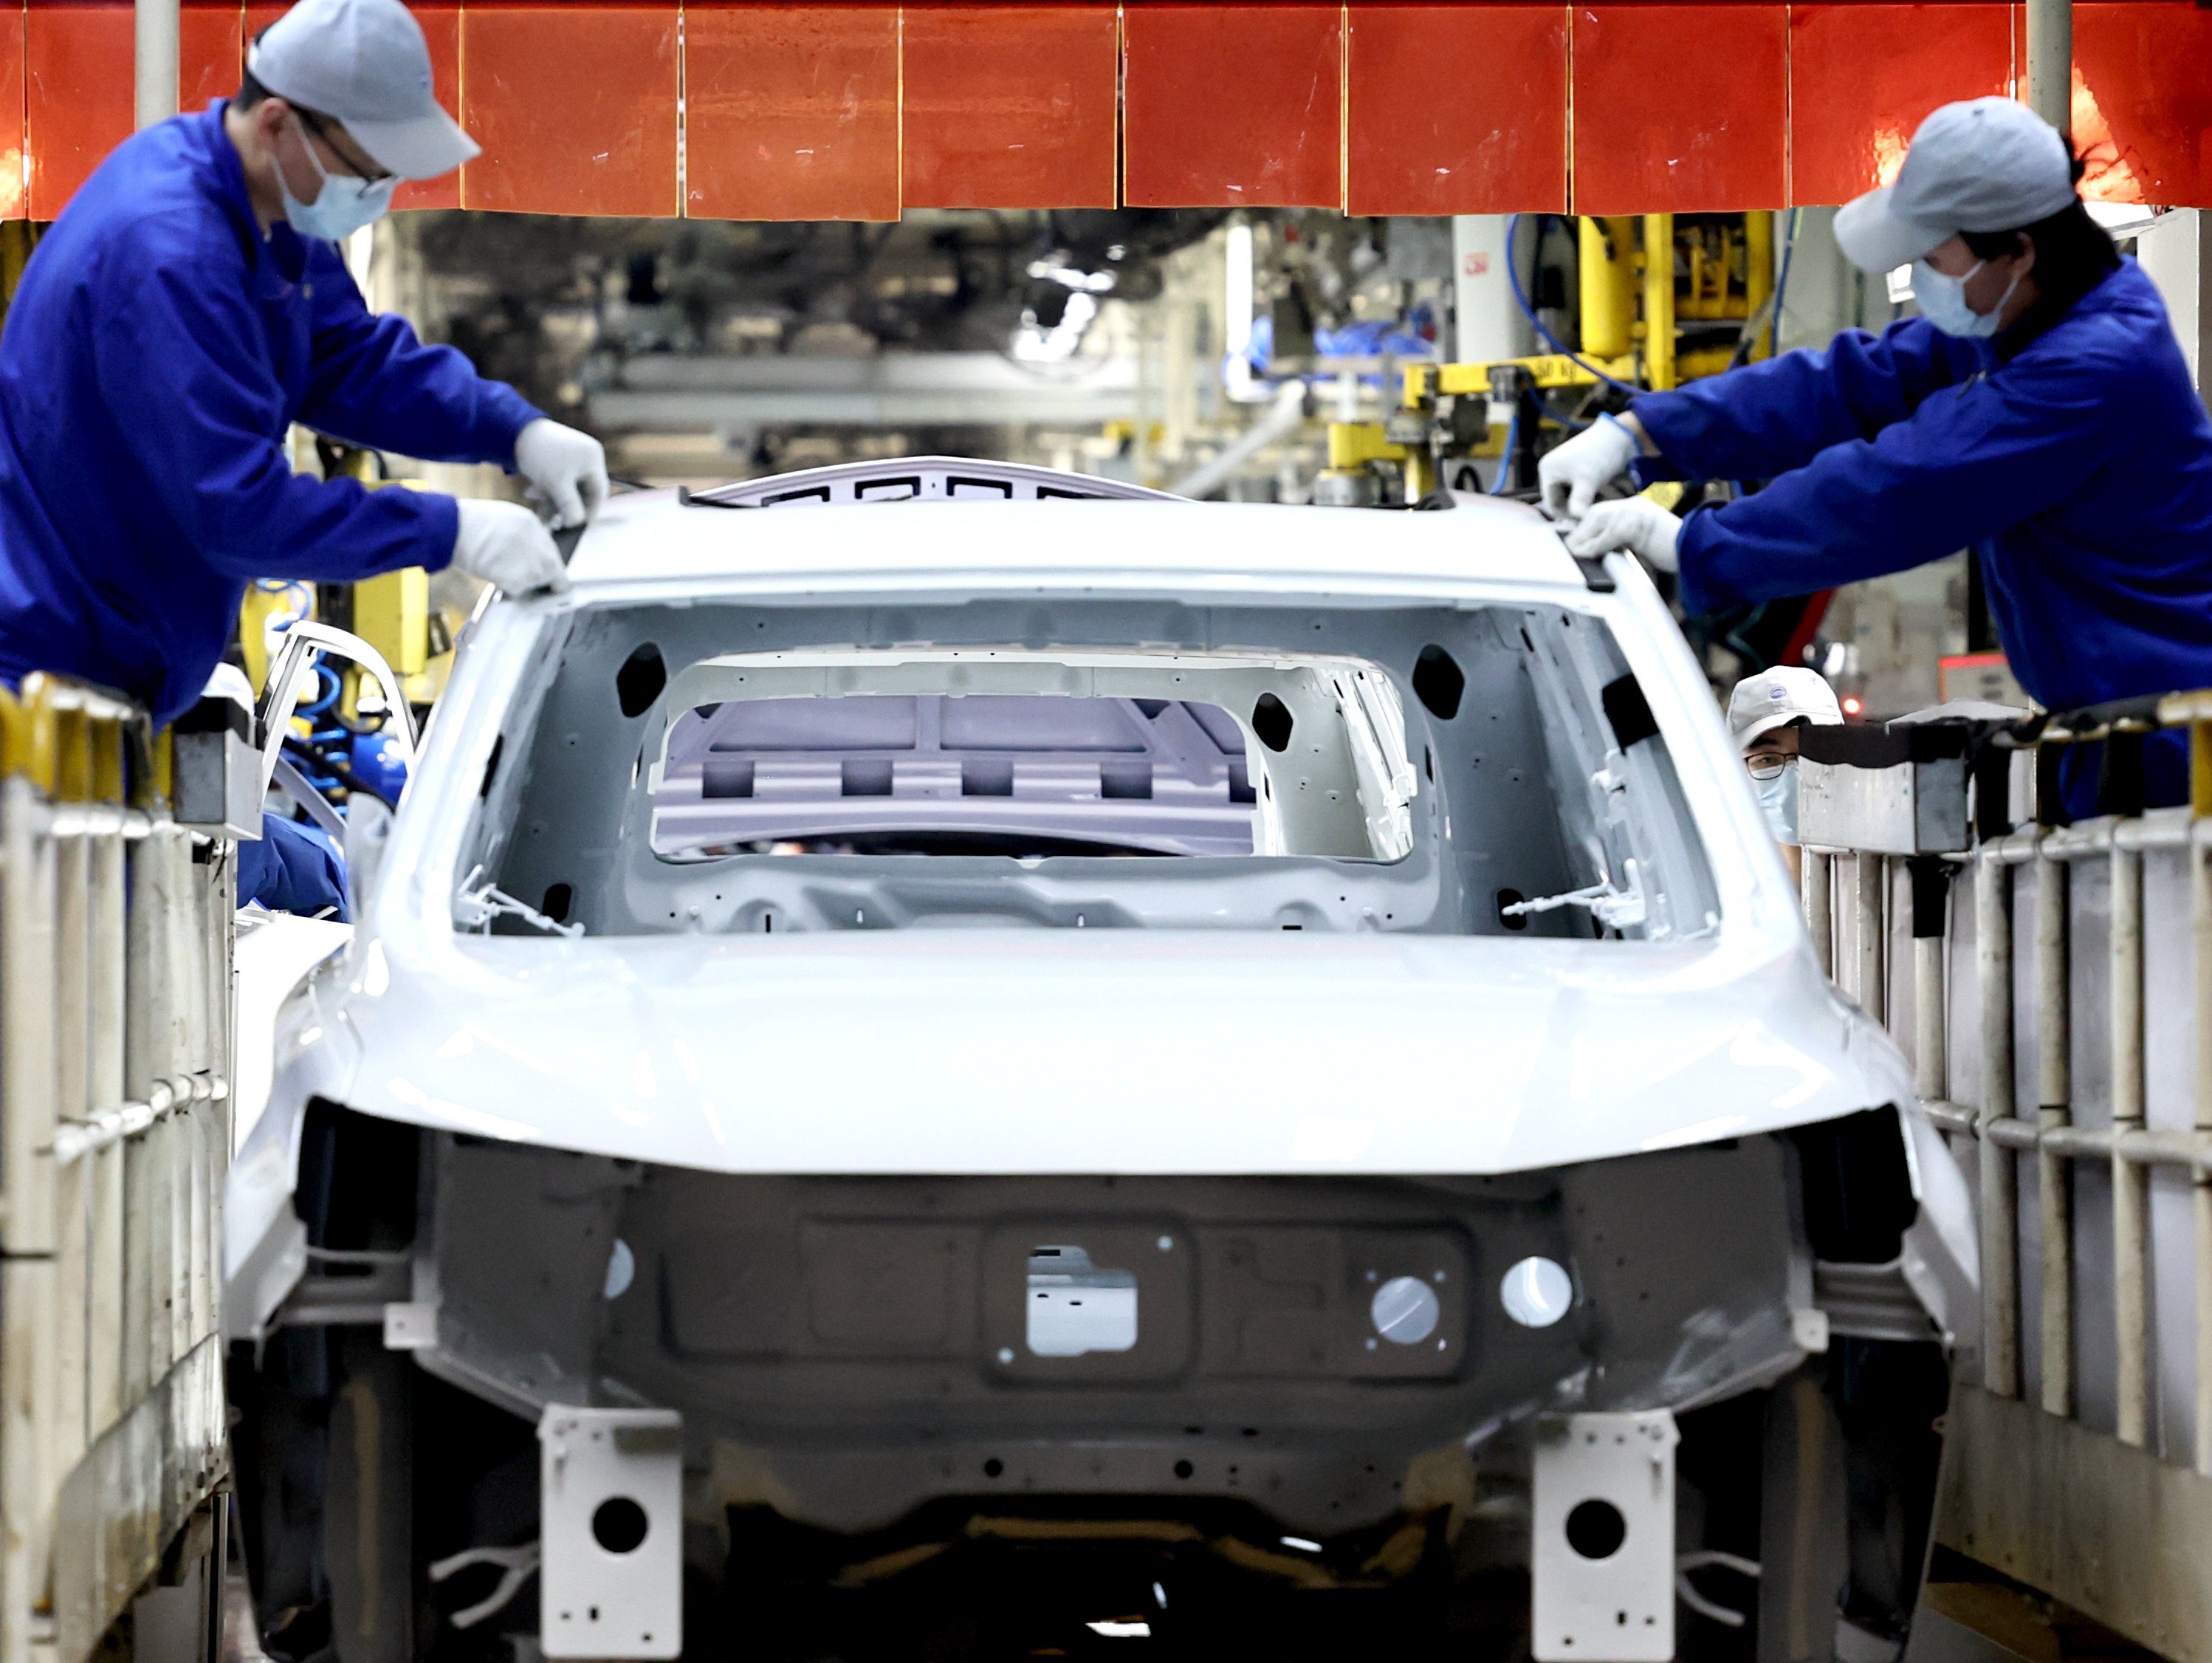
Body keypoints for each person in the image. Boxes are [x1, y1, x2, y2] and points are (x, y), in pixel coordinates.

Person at [1539, 97, 2212, 813]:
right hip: (2116, 730)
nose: (1922, 280)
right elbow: (1848, 383)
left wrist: (1696, 543)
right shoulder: (2035, 314)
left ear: (2017, 248)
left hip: (2177, 745)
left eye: (1932, 257)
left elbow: (1903, 489)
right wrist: (1642, 431)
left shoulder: (2089, 368)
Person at [0, 0, 602, 733]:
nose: (377, 194)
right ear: (280, 122)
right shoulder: (171, 255)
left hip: (104, 667)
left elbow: (347, 359)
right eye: (365, 169)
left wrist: (513, 430)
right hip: (40, 676)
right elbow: (237, 509)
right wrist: (447, 528)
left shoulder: (263, 211)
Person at [1728, 667, 1843, 888]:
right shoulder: (1724, 885)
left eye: (1812, 755)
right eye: (1767, 760)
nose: (1794, 777)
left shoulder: (1876, 870)